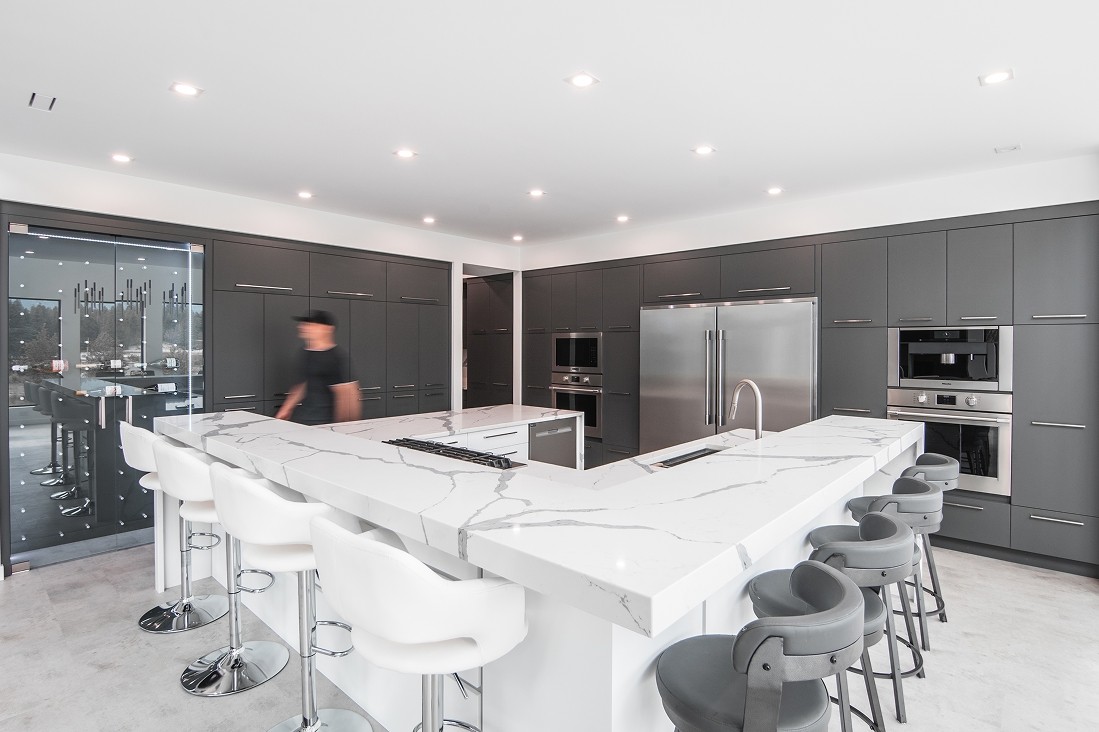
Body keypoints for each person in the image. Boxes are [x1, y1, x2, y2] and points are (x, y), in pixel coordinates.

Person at [275, 310, 360, 424]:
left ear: (328, 329)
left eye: (310, 324)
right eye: (303, 324)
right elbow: (303, 384)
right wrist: (285, 410)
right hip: (305, 419)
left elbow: (348, 395)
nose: (302, 327)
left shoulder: (335, 357)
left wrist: (344, 429)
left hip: (326, 423)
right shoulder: (305, 352)